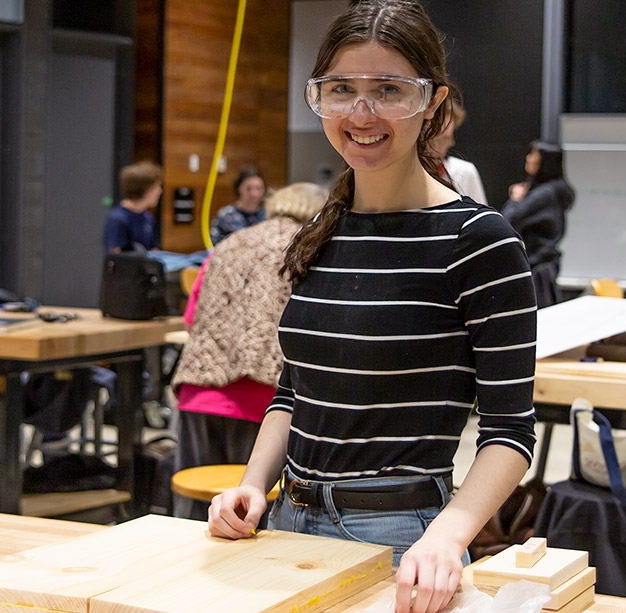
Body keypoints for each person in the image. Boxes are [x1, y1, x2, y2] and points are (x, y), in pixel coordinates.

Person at [207, 3, 538, 613]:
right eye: (341, 91)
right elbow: (295, 389)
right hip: (284, 522)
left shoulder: (478, 240)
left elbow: (510, 431)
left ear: (432, 102)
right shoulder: (321, 230)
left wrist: (447, 537)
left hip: (402, 537)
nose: (361, 114)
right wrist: (253, 483)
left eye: (388, 90)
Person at [172, 183, 330, 520]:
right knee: (253, 522)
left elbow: (191, 319)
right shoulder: (311, 248)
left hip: (198, 394)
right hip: (269, 403)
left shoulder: (229, 244)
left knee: (197, 523)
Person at [502, 141, 575, 307]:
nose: (528, 159)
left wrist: (514, 200)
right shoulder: (552, 190)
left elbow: (507, 221)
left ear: (545, 162)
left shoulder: (544, 194)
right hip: (543, 266)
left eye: (533, 155)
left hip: (536, 269)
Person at [427, 98, 487, 205]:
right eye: (434, 140)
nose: (438, 148)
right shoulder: (405, 172)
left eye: (446, 139)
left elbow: (482, 217)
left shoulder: (464, 171)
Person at [104, 161, 163, 253]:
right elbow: (116, 256)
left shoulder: (148, 217)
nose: (160, 191)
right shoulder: (117, 219)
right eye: (157, 187)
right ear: (146, 190)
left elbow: (154, 251)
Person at [209, 167, 269, 245]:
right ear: (239, 189)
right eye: (248, 188)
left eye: (258, 188)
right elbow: (213, 245)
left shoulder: (267, 216)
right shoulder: (226, 216)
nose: (254, 194)